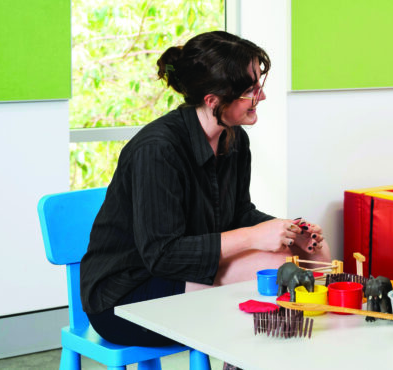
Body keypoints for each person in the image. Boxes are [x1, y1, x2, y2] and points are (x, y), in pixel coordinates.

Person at [80, 31, 330, 347]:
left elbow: (239, 213)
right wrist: (255, 237)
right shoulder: (157, 151)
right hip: (126, 294)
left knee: (285, 257)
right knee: (262, 293)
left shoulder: (235, 139)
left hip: (180, 273)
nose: (261, 97)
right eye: (251, 91)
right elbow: (162, 254)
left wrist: (289, 230)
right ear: (213, 101)